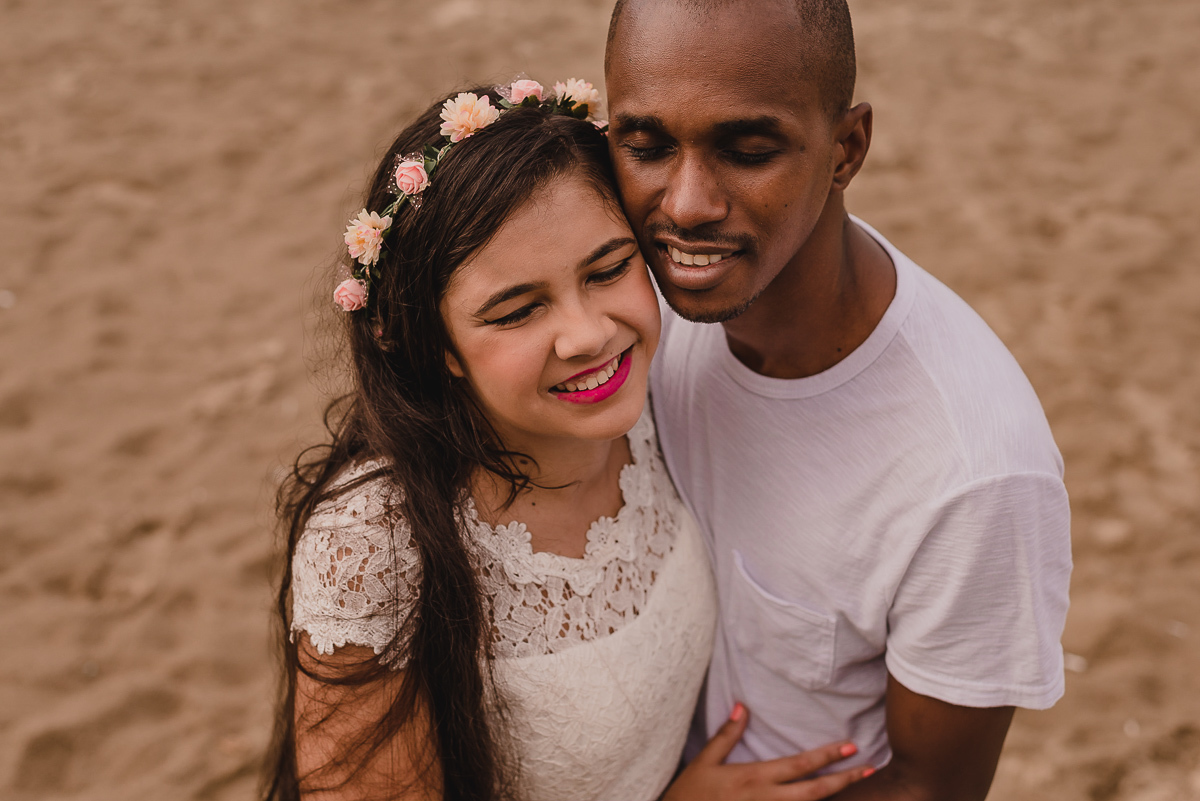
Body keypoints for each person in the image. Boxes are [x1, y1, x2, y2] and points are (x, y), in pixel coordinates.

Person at [262, 81, 873, 801]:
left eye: (609, 269)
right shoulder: (372, 545)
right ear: (438, 344)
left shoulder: (659, 400)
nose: (588, 336)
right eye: (517, 310)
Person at [605, 1, 1073, 799]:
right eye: (646, 146)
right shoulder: (618, 306)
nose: (685, 204)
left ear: (846, 149)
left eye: (748, 151)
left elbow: (932, 787)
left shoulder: (975, 472)